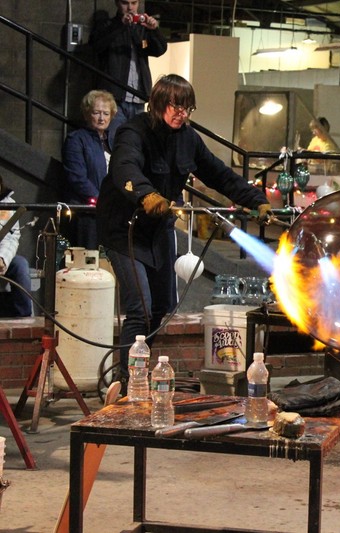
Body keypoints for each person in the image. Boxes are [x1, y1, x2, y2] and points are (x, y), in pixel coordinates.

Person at [96, 74, 272, 389]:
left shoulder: (188, 138)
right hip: (123, 230)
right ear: (159, 104)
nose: (182, 114)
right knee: (140, 308)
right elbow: (125, 167)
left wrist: (257, 201)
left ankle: (141, 373)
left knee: (162, 306)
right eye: (176, 107)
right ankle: (126, 385)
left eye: (187, 108)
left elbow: (220, 175)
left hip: (158, 229)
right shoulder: (132, 131)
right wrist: (146, 194)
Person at [89, 0, 168, 121]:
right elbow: (96, 46)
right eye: (125, 3)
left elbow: (159, 50)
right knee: (115, 136)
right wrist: (120, 25)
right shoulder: (108, 25)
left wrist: (154, 30)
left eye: (134, 3)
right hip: (114, 97)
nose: (130, 7)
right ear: (117, 3)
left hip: (138, 96)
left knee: (135, 137)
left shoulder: (142, 28)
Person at [61, 89, 119, 249]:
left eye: (106, 113)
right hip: (87, 214)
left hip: (110, 213)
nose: (102, 118)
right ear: (87, 114)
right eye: (96, 113)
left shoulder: (113, 141)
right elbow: (77, 178)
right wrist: (101, 201)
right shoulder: (76, 139)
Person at [0, 174, 32, 318]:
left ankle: (24, 318)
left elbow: (12, 237)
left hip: (2, 254)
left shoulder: (8, 204)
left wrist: (2, 258)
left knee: (20, 265)